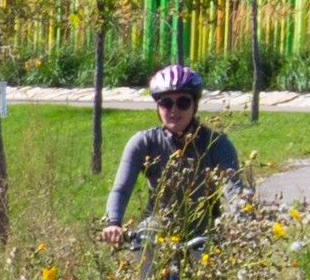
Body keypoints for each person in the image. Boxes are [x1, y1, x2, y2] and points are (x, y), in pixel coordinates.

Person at [100, 62, 242, 246]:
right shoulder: (143, 142)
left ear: (195, 105)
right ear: (158, 108)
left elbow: (233, 190)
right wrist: (114, 223)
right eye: (166, 103)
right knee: (149, 269)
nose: (174, 110)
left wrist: (238, 224)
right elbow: (121, 188)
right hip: (157, 233)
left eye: (183, 102)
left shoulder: (216, 144)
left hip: (204, 234)